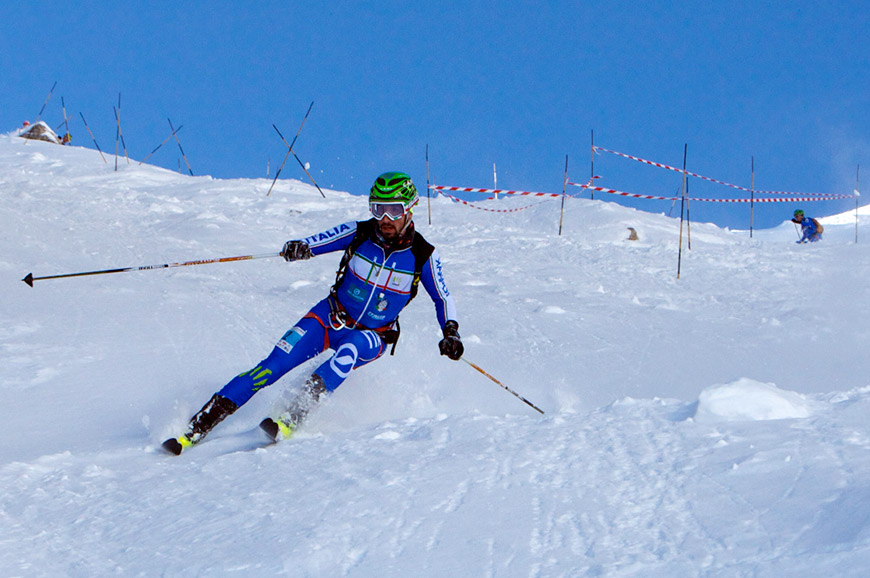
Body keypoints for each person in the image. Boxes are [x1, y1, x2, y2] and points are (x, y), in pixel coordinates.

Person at [163, 172, 464, 455]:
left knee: (349, 351)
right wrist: (300, 247)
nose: (385, 219)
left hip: (374, 336)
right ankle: (197, 426)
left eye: (394, 210)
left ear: (409, 210)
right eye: (378, 208)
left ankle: (293, 416)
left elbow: (442, 297)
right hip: (329, 318)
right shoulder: (360, 233)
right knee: (271, 366)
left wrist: (450, 332)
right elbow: (317, 242)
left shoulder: (422, 254)